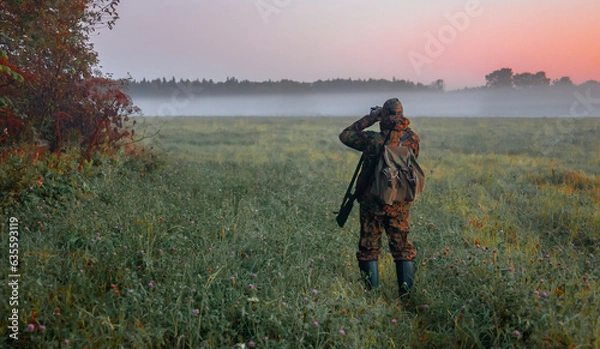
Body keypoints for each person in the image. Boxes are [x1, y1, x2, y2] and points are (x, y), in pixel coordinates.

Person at [338, 97, 420, 298]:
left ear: (383, 115)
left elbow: (345, 135)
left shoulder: (373, 140)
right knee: (402, 247)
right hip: (399, 202)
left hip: (372, 202)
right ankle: (405, 296)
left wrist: (370, 118)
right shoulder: (412, 139)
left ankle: (371, 296)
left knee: (369, 247)